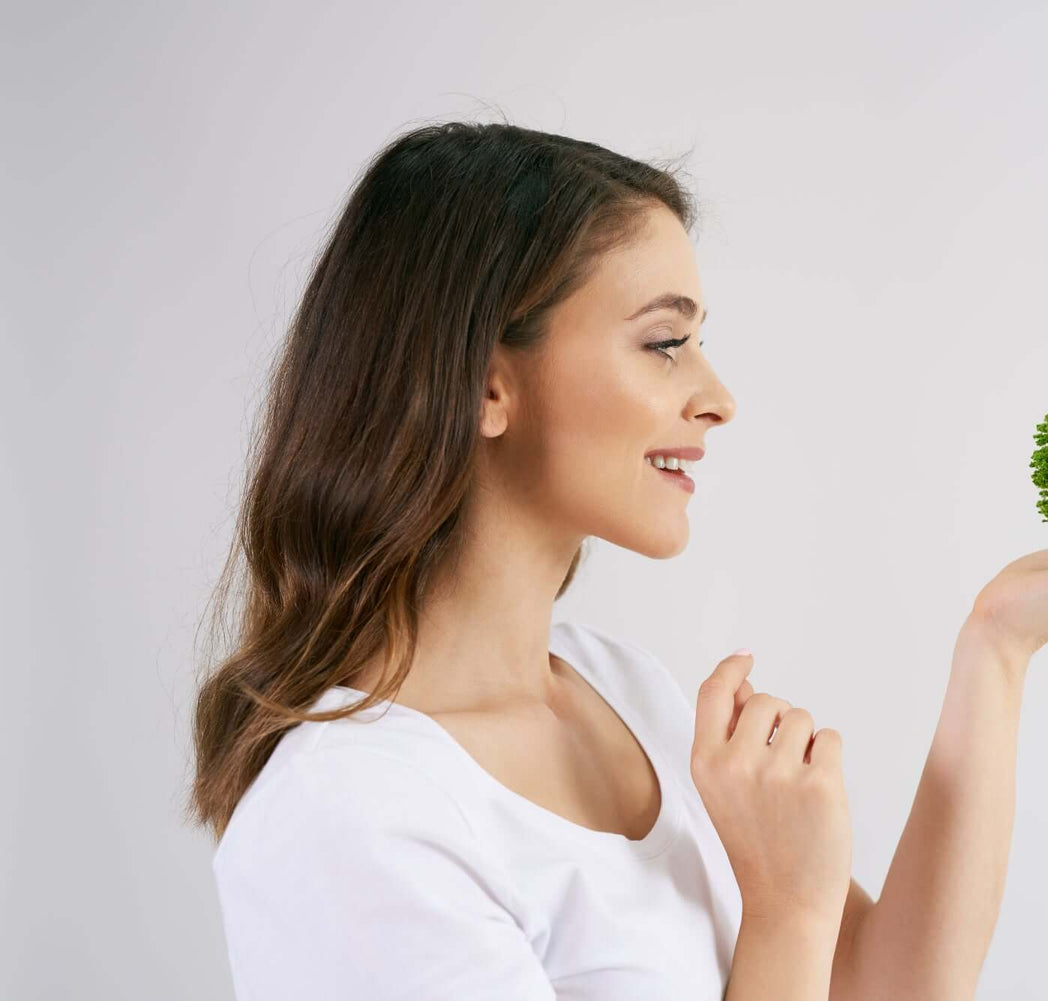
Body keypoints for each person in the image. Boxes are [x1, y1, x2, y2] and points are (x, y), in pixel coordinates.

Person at [188, 121, 858, 1000]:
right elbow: (801, 952)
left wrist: (998, 649)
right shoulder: (352, 814)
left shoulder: (622, 687)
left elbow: (890, 985)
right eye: (664, 343)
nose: (718, 398)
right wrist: (787, 912)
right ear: (486, 385)